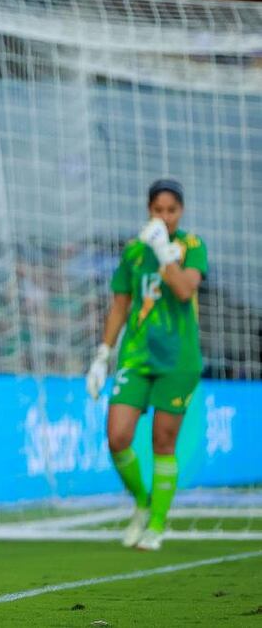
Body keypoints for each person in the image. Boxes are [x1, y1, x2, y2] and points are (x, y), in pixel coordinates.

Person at [86, 179, 208, 552]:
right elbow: (120, 306)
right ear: (149, 210)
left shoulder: (192, 246)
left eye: (171, 210)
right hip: (136, 357)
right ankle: (142, 501)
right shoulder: (134, 251)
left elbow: (184, 290)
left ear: (181, 212)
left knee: (163, 442)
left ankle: (157, 523)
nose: (165, 217)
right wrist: (103, 355)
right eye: (158, 210)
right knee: (117, 436)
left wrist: (163, 252)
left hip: (178, 360)